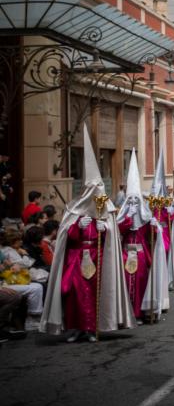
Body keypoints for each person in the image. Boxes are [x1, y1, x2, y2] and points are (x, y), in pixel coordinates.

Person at [39, 124, 135, 342]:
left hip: (99, 257)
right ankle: (75, 328)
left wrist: (107, 229)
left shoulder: (107, 210)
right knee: (74, 295)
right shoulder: (73, 211)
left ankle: (92, 328)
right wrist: (76, 227)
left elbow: (114, 233)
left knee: (95, 295)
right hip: (76, 259)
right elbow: (65, 238)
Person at [117, 148, 169, 324]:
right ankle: (125, 314)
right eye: (129, 200)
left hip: (140, 254)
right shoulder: (123, 216)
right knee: (124, 283)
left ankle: (139, 313)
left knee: (140, 283)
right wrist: (127, 218)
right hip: (125, 254)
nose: (132, 203)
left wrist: (154, 227)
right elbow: (119, 231)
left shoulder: (146, 218)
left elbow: (151, 236)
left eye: (135, 200)